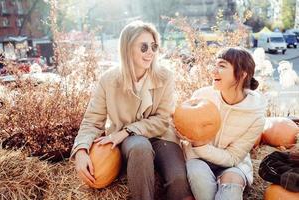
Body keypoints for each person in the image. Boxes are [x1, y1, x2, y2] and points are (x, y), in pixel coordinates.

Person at [71, 20, 194, 200]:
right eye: (143, 47)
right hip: (131, 143)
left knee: (178, 179)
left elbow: (162, 119)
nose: (150, 52)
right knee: (139, 146)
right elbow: (92, 121)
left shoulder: (165, 77)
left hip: (161, 136)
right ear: (127, 48)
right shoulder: (108, 80)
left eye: (154, 46)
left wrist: (127, 131)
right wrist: (81, 150)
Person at [182, 47, 267, 200]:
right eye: (215, 65)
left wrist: (200, 144)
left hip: (232, 165)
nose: (213, 71)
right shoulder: (202, 96)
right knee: (197, 174)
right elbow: (183, 124)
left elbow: (233, 157)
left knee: (231, 187)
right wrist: (181, 130)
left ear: (241, 74)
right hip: (198, 160)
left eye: (221, 66)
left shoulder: (256, 115)